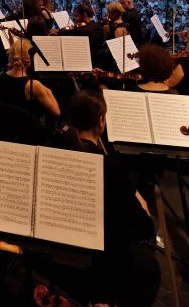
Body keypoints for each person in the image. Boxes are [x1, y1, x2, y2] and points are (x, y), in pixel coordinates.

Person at [48, 91, 160, 307]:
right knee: (150, 270)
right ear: (100, 121)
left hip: (61, 250)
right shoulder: (109, 168)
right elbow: (144, 227)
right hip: (101, 262)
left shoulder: (56, 148)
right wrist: (139, 201)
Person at [0, 38, 60, 119]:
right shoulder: (33, 85)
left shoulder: (1, 75)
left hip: (8, 122)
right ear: (30, 58)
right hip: (28, 128)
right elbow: (56, 112)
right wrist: (49, 91)